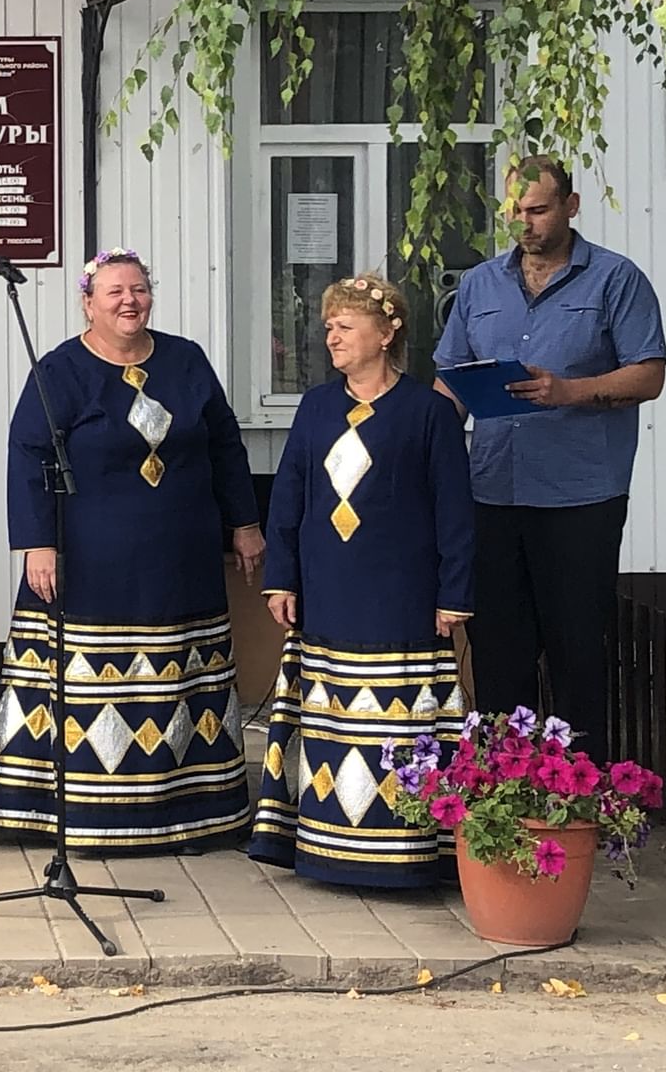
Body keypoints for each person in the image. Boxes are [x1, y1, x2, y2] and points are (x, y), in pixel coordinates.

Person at [0, 249, 265, 853]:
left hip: (180, 560)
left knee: (182, 682)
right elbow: (27, 457)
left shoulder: (186, 360)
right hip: (90, 562)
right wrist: (37, 543)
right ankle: (85, 818)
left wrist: (245, 524)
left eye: (138, 289)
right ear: (88, 303)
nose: (129, 301)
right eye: (114, 292)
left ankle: (192, 815)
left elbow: (225, 446)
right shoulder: (60, 371)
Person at [434, 156, 666, 762]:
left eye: (538, 209)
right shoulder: (480, 285)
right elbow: (450, 385)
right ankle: (501, 794)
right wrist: (420, 448)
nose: (525, 223)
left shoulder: (617, 280)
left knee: (576, 653)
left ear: (571, 205)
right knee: (499, 654)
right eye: (515, 211)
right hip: (493, 493)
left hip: (580, 497)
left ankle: (578, 795)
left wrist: (569, 391)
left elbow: (648, 376)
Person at [247, 273, 475, 889]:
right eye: (328, 328)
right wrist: (281, 578)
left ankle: (403, 853)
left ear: (387, 332)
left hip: (402, 597)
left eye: (345, 327)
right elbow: (290, 492)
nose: (332, 339)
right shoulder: (318, 406)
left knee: (398, 723)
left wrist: (453, 595)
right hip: (328, 593)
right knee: (329, 720)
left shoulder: (428, 413)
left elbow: (455, 509)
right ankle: (325, 850)